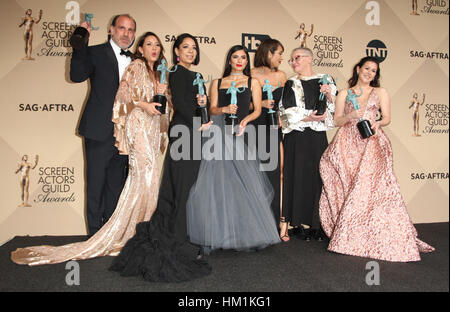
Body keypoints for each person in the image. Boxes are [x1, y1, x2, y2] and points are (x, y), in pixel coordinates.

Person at [11, 32, 170, 266]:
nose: (154, 48)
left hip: (153, 131)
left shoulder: (159, 72)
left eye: (157, 45)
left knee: (149, 182)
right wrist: (143, 104)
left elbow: (165, 108)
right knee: (138, 180)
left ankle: (139, 233)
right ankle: (111, 236)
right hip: (136, 130)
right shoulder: (135, 67)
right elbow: (122, 101)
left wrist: (162, 96)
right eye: (149, 44)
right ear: (141, 49)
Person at [109, 33, 212, 282]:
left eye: (194, 48)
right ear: (176, 51)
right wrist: (198, 121)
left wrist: (204, 106)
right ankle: (178, 242)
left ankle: (185, 237)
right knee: (180, 189)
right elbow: (181, 106)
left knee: (189, 188)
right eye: (185, 47)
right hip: (185, 131)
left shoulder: (198, 76)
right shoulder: (174, 72)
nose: (190, 51)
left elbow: (199, 105)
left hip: (198, 134)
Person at [319, 56, 435, 262]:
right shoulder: (344, 93)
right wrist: (349, 116)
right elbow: (336, 120)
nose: (370, 73)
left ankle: (370, 235)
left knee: (371, 189)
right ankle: (353, 233)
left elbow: (387, 117)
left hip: (372, 141)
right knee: (351, 187)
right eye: (367, 69)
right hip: (347, 144)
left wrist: (378, 124)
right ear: (358, 68)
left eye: (374, 71)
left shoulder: (381, 92)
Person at [186, 45, 281, 254]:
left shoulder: (252, 82)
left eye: (243, 58)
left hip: (241, 133)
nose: (240, 60)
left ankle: (246, 233)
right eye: (236, 57)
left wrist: (245, 120)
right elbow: (211, 109)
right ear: (229, 60)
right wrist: (224, 109)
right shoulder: (217, 82)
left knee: (244, 184)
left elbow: (257, 110)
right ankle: (218, 234)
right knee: (217, 184)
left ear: (247, 62)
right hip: (219, 133)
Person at [70, 14, 136, 236]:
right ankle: (94, 238)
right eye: (122, 28)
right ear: (111, 29)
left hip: (125, 135)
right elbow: (77, 75)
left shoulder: (137, 60)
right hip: (99, 130)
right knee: (96, 187)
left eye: (131, 30)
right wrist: (81, 39)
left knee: (115, 188)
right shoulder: (95, 52)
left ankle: (110, 236)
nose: (126, 33)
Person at [279, 47, 336, 241]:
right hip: (297, 137)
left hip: (317, 137)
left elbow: (336, 110)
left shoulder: (326, 80)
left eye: (297, 58)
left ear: (309, 59)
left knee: (318, 177)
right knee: (296, 176)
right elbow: (287, 111)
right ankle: (298, 223)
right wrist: (308, 117)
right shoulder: (291, 83)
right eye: (291, 60)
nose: (293, 62)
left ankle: (318, 223)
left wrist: (329, 96)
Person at [251, 39, 287, 240]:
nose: (282, 58)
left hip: (274, 127)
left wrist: (282, 117)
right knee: (254, 175)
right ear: (268, 53)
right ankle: (253, 224)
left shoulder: (282, 76)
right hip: (255, 127)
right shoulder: (251, 74)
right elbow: (241, 104)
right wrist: (260, 103)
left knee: (274, 174)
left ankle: (272, 225)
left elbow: (285, 104)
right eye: (279, 53)